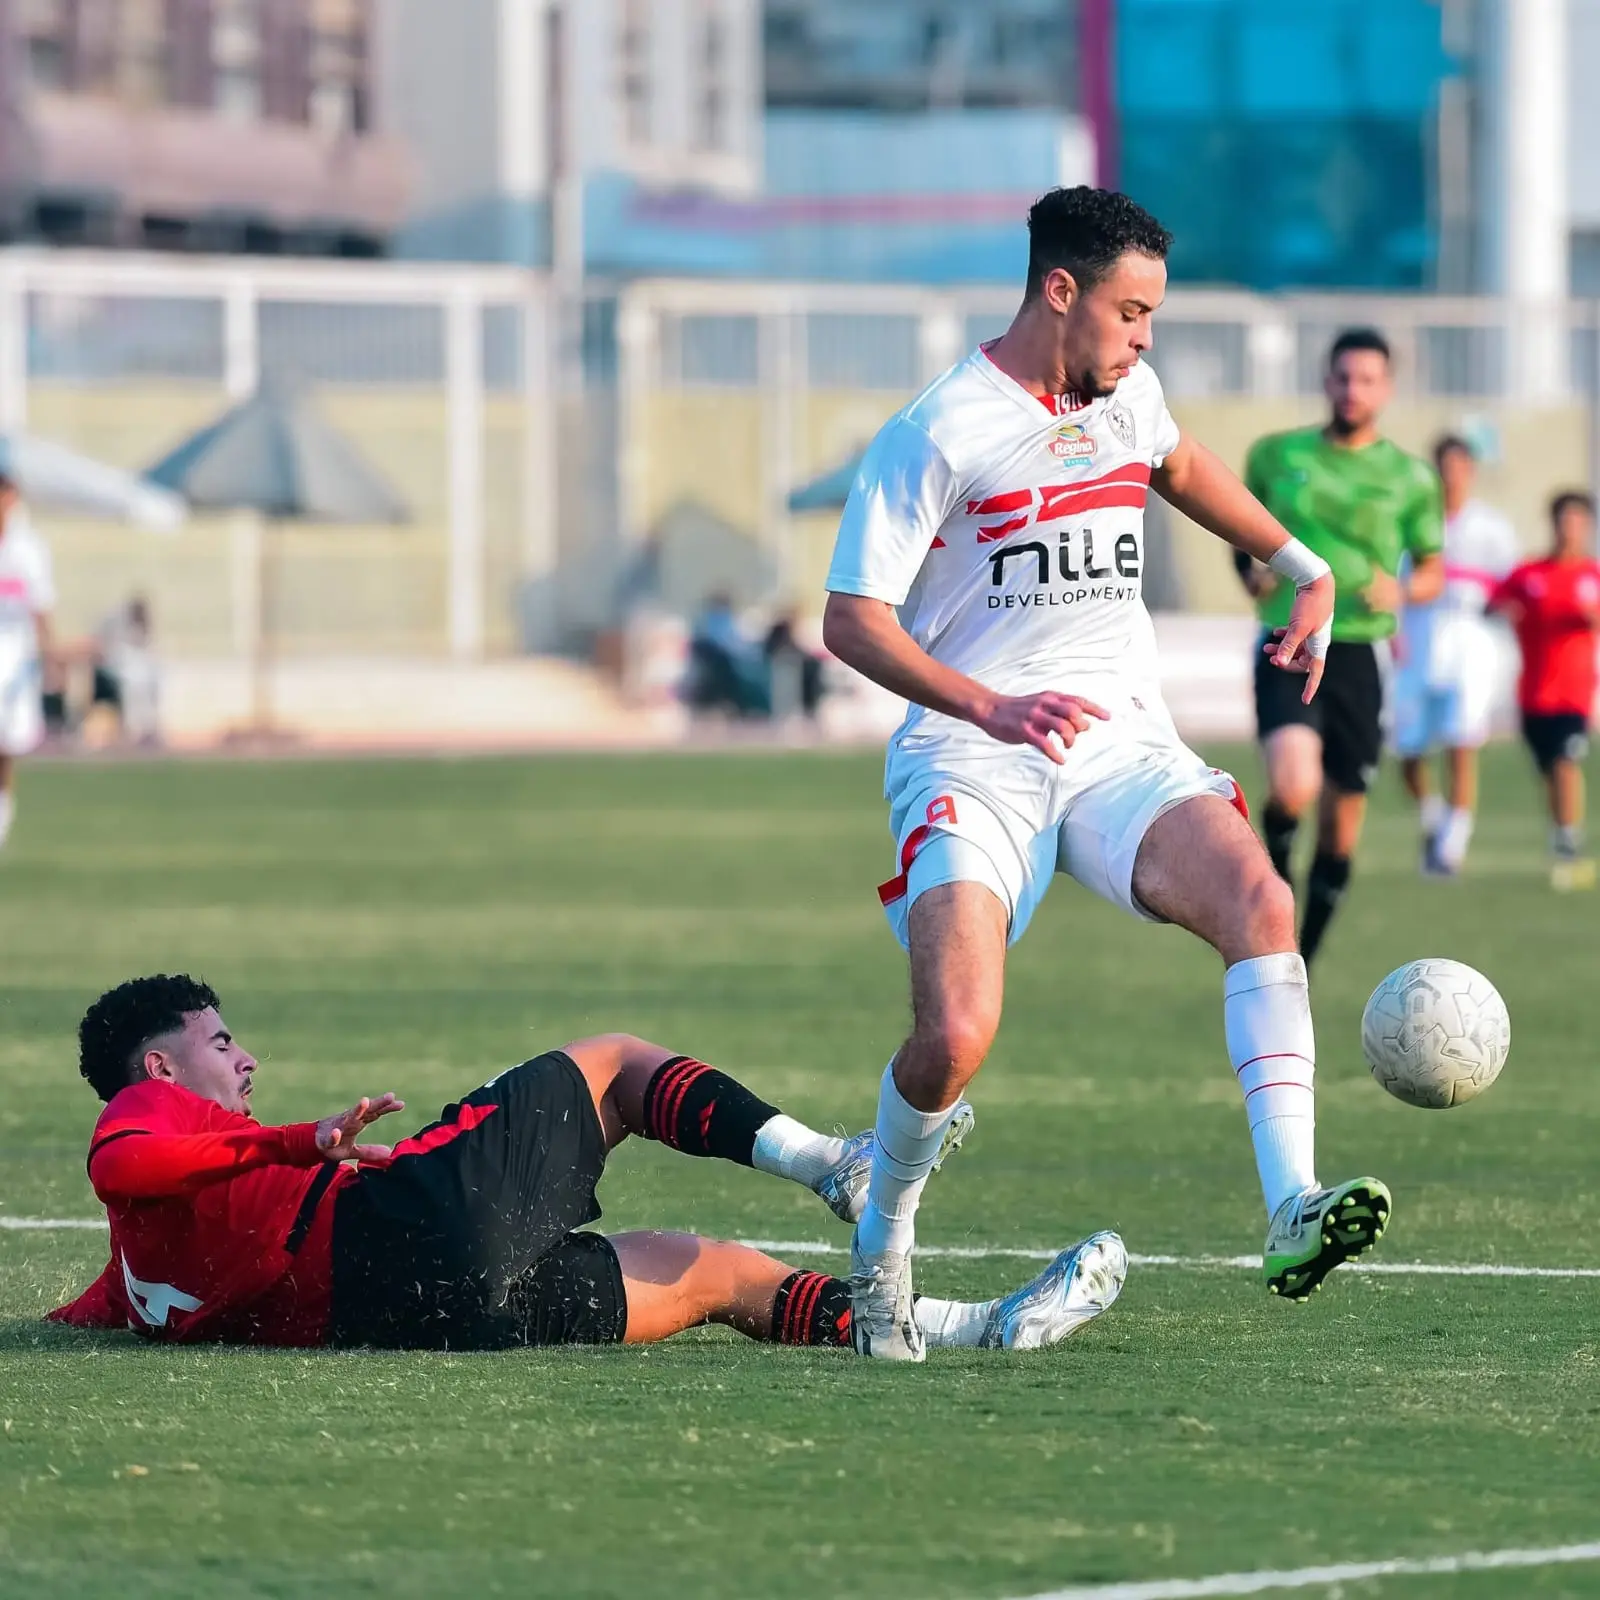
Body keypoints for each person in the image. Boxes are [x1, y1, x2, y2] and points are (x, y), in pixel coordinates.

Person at [822, 185, 1385, 1363]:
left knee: (1259, 901)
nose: (1143, 339)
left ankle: (1290, 1206)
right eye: (1131, 313)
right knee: (956, 1033)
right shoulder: (938, 429)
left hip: (1117, 741)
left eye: (1153, 318)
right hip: (973, 750)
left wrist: (1301, 563)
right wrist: (990, 700)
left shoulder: (1126, 393)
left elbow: (1180, 464)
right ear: (1059, 292)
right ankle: (881, 1256)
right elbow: (850, 620)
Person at [50, 973, 1126, 1355]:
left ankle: (966, 1327)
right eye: (221, 1039)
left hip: (421, 1320)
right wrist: (298, 1141)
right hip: (406, 1227)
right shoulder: (150, 1107)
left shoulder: (134, 1279)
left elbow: (95, 1292)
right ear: (158, 1062)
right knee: (612, 1065)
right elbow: (126, 1156)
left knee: (707, 1272)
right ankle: (837, 1166)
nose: (246, 1058)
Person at [1237, 330, 1444, 961]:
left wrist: (1402, 591)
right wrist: (1249, 571)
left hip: (1361, 654)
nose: (1352, 390)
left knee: (1339, 828)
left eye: (1366, 380)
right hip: (1290, 638)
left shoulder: (1409, 477)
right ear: (1326, 380)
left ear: (1386, 389)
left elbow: (1433, 567)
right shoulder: (1276, 455)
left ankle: (1304, 960)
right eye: (1342, 377)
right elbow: (1242, 531)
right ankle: (1274, 892)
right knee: (1292, 784)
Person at [1392, 437, 1518, 877]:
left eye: (1458, 466)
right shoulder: (1413, 523)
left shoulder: (1490, 527)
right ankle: (1433, 815)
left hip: (1470, 639)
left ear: (1471, 470)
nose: (1451, 476)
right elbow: (1395, 584)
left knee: (1462, 740)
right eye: (1443, 467)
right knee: (1407, 746)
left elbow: (1510, 587)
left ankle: (1451, 846)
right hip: (1420, 636)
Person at [1489, 492, 1600, 892]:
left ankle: (1569, 841)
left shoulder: (1593, 576)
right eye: (1563, 520)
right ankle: (1560, 835)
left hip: (1575, 692)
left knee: (1565, 763)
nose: (1569, 529)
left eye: (1577, 521)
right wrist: (1503, 611)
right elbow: (1495, 603)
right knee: (1549, 769)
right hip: (1534, 692)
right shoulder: (1529, 573)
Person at [0, 471, 56, 852]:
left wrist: (49, 656)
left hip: (14, 659)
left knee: (8, 744)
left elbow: (41, 607)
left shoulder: (28, 548)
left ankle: (2, 817)